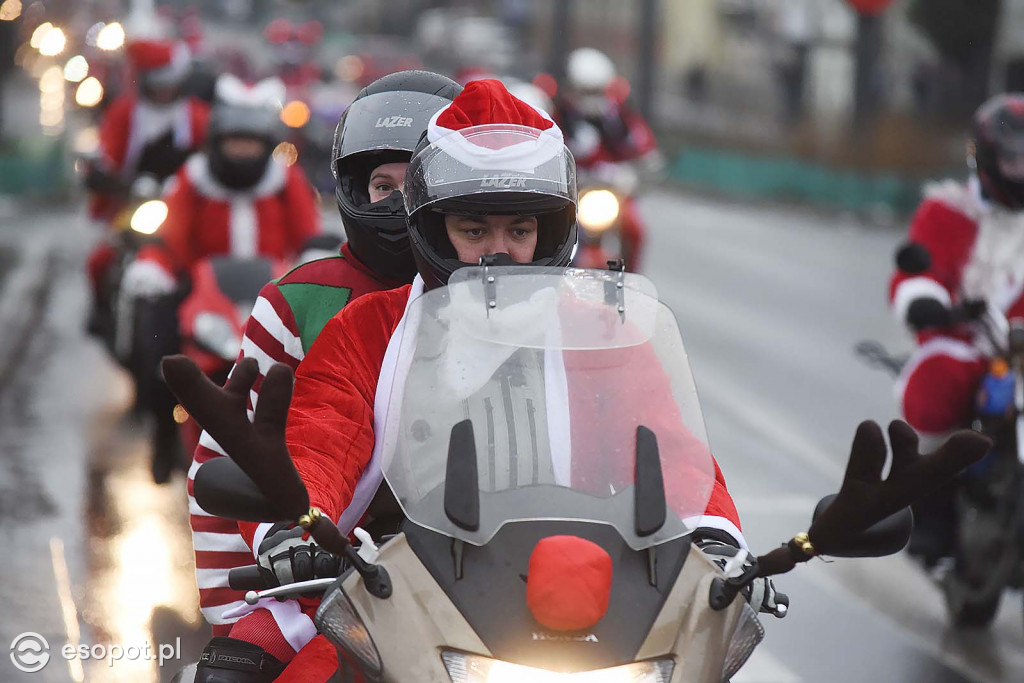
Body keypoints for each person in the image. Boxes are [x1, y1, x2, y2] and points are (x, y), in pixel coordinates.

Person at [242, 77, 743, 608]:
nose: (498, 253)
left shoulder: (603, 333)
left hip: (585, 592)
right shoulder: (370, 328)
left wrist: (713, 534)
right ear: (435, 231)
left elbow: (673, 452)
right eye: (475, 231)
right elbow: (320, 439)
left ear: (547, 234)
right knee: (256, 665)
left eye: (520, 231)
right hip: (409, 596)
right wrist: (298, 523)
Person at [188, 71, 462, 682]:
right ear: (350, 191)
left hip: (484, 577)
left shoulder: (503, 305)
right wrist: (235, 607)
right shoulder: (299, 302)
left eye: (415, 184)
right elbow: (233, 455)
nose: (396, 204)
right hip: (332, 577)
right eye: (380, 185)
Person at [888, 93, 1024, 561]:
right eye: (1013, 159)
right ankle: (930, 506)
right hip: (968, 343)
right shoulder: (946, 211)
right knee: (936, 377)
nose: (1020, 170)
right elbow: (917, 271)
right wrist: (924, 300)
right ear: (988, 156)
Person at [554, 48, 660, 271]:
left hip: (614, 197)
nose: (591, 98)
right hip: (571, 198)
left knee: (635, 230)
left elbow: (645, 149)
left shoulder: (620, 119)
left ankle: (631, 281)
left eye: (597, 91)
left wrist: (636, 173)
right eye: (585, 91)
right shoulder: (557, 120)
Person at [86, 38, 209, 222]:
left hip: (183, 206)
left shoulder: (198, 116)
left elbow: (207, 158)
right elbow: (108, 159)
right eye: (158, 85)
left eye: (169, 84)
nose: (164, 91)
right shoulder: (123, 113)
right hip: (129, 204)